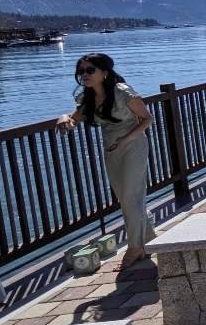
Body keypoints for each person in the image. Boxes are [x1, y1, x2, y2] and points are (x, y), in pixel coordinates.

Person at [56, 53, 155, 269]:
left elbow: (148, 119)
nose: (84, 75)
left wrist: (125, 139)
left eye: (90, 70)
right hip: (111, 148)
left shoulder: (122, 91)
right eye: (81, 71)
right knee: (126, 197)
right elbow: (74, 120)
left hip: (133, 144)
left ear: (104, 72)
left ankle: (135, 247)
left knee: (131, 196)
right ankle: (147, 239)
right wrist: (64, 118)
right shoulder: (88, 98)